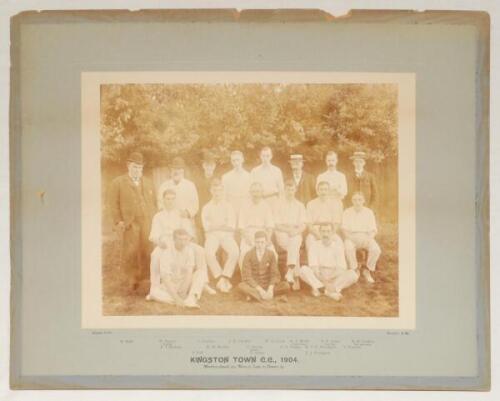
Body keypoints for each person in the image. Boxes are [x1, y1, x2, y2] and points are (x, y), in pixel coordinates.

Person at [108, 151, 156, 294]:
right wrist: (118, 221)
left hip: (147, 219)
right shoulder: (118, 182)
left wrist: (153, 217)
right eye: (135, 167)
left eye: (140, 167)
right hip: (130, 221)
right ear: (128, 166)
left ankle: (146, 278)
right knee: (131, 249)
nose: (137, 170)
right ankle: (132, 279)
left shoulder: (147, 182)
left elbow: (152, 202)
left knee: (147, 247)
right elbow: (113, 204)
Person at [146, 229, 206, 308]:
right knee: (153, 292)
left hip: (184, 283)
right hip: (171, 284)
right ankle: (182, 302)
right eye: (180, 239)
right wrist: (176, 298)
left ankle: (191, 298)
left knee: (201, 273)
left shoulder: (189, 250)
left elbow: (189, 273)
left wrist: (184, 291)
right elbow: (165, 278)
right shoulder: (166, 252)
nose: (183, 242)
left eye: (185, 239)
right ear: (174, 239)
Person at [300, 223, 359, 300]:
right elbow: (314, 268)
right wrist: (324, 280)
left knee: (353, 274)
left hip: (334, 275)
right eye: (323, 231)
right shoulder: (314, 246)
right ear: (320, 233)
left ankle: (319, 288)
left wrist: (329, 280)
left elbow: (341, 268)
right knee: (303, 270)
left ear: (332, 233)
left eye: (328, 231)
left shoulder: (338, 247)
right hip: (319, 275)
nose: (325, 234)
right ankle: (329, 292)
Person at [202, 179, 239, 293]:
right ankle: (219, 278)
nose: (217, 193)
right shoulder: (206, 207)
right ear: (211, 191)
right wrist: (221, 225)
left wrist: (216, 226)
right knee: (208, 253)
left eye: (219, 190)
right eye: (215, 190)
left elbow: (231, 226)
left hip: (226, 235)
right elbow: (207, 227)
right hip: (212, 236)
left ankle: (225, 277)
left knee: (235, 252)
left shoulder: (229, 206)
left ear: (223, 191)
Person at [273, 179, 307, 290]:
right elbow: (276, 225)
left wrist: (296, 231)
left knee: (295, 242)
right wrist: (288, 230)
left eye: (292, 190)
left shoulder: (300, 205)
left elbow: (303, 225)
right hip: (282, 232)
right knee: (295, 246)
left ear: (295, 190)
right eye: (288, 190)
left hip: (295, 232)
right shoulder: (278, 204)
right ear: (284, 190)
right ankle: (294, 276)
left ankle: (290, 273)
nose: (290, 192)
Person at [238, 231, 290, 302]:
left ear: (266, 242)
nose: (260, 245)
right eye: (257, 242)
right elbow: (247, 276)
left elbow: (274, 274)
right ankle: (267, 296)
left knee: (286, 285)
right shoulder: (248, 255)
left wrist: (270, 288)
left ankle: (253, 296)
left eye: (262, 242)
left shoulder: (271, 254)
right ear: (254, 242)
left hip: (268, 284)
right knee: (241, 286)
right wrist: (260, 290)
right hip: (254, 285)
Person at [342, 192, 381, 283]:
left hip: (366, 236)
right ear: (352, 201)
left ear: (363, 201)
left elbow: (373, 229)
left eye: (359, 200)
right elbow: (344, 229)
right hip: (351, 236)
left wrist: (369, 238)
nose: (357, 202)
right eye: (355, 200)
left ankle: (367, 270)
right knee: (348, 248)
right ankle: (355, 268)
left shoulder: (369, 212)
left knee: (376, 250)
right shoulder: (347, 212)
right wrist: (350, 237)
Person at [238, 182, 275, 267]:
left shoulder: (266, 206)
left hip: (263, 233)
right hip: (248, 233)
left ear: (262, 193)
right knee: (244, 253)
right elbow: (241, 227)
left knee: (272, 252)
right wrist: (248, 239)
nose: (256, 194)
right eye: (254, 192)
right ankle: (246, 278)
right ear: (250, 193)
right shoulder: (244, 205)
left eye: (258, 191)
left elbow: (270, 226)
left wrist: (268, 239)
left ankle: (269, 278)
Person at [306, 181, 342, 259]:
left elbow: (337, 223)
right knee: (310, 241)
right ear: (317, 191)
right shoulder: (311, 204)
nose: (323, 192)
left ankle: (336, 266)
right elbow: (309, 224)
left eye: (325, 189)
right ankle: (314, 267)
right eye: (321, 189)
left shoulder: (335, 203)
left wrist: (330, 234)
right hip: (316, 231)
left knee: (339, 242)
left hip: (330, 230)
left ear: (329, 191)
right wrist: (318, 235)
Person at [156, 156, 199, 222]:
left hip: (185, 220)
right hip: (168, 220)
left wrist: (187, 213)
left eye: (179, 169)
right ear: (171, 170)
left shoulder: (190, 186)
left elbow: (195, 205)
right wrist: (167, 214)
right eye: (174, 169)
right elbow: (160, 203)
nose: (176, 172)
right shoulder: (164, 186)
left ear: (183, 171)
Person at [193, 151, 219, 243]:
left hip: (214, 213)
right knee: (202, 239)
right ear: (203, 166)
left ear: (214, 166)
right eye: (207, 165)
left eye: (211, 165)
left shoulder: (218, 180)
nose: (209, 167)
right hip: (200, 212)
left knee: (214, 238)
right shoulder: (197, 180)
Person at [316, 150, 347, 219]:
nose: (331, 163)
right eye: (329, 160)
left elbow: (344, 193)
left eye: (333, 160)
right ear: (326, 161)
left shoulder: (341, 176)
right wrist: (334, 189)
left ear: (336, 161)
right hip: (323, 205)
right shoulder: (321, 176)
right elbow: (318, 192)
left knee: (337, 225)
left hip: (337, 205)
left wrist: (336, 190)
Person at [221, 150, 251, 216]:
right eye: (233, 160)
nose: (236, 162)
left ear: (242, 160)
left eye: (238, 160)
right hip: (230, 207)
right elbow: (223, 195)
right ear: (231, 162)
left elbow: (251, 195)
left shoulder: (249, 176)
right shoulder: (226, 177)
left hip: (245, 207)